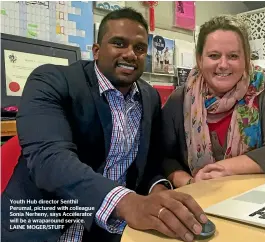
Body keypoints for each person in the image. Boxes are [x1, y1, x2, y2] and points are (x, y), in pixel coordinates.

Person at [1, 8, 207, 242]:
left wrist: (158, 194)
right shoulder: (50, 81)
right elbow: (49, 159)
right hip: (43, 227)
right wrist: (126, 202)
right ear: (96, 51)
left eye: (139, 48)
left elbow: (149, 164)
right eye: (119, 43)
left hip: (112, 228)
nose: (131, 54)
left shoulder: (148, 97)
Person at [161, 15, 265, 188]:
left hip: (256, 197)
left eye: (233, 56)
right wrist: (190, 183)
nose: (223, 65)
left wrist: (221, 170)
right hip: (199, 199)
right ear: (199, 59)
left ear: (246, 59)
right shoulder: (180, 100)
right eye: (214, 55)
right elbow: (164, 158)